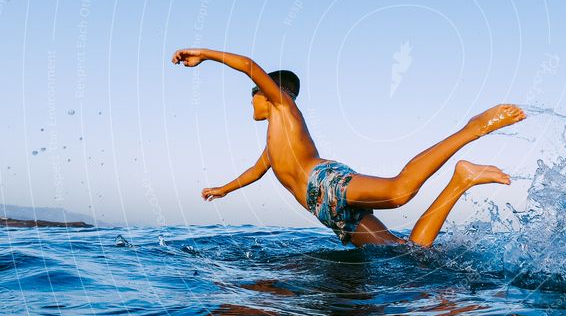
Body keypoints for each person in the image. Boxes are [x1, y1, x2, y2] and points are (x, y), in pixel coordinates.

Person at [171, 48, 526, 247]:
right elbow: (255, 171)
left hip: (325, 184)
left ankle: (473, 128)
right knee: (408, 255)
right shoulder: (273, 143)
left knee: (399, 192)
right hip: (326, 211)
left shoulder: (284, 108)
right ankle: (461, 181)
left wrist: (204, 55)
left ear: (267, 95)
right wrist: (223, 189)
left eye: (254, 98)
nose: (251, 105)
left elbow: (249, 66)